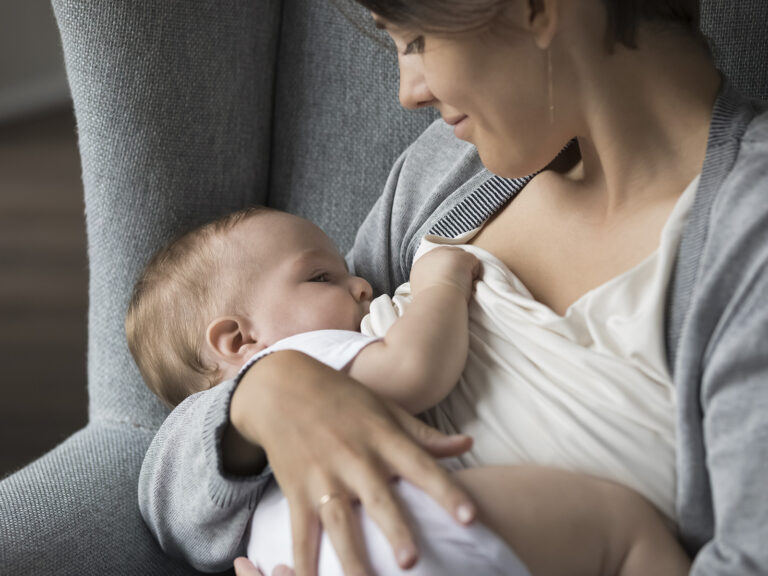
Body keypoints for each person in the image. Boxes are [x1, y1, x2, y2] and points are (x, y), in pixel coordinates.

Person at [139, 1, 768, 575]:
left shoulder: (747, 236)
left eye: (414, 41)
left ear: (537, 8)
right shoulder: (448, 173)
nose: (408, 93)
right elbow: (175, 510)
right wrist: (261, 399)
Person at [129, 206, 689, 575]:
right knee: (623, 525)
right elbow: (416, 371)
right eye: (320, 278)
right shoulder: (299, 360)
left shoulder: (243, 488)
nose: (362, 283)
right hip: (417, 537)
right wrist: (440, 284)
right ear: (239, 339)